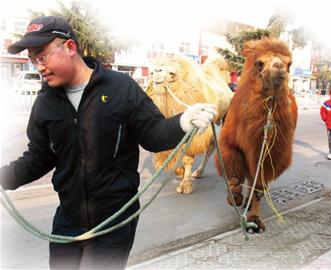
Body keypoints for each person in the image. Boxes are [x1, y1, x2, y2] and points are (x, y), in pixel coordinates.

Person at [0, 16, 216, 270]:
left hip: (114, 221)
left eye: (42, 56)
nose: (39, 66)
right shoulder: (45, 102)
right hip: (67, 221)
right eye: (33, 60)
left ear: (70, 48)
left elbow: (152, 134)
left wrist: (181, 123)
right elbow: (39, 156)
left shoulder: (120, 88)